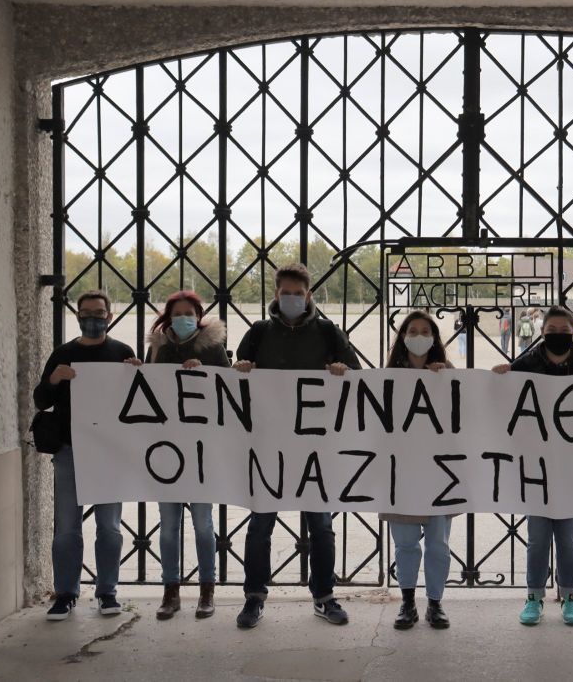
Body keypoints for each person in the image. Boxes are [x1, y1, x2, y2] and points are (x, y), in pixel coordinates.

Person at [232, 263, 361, 629]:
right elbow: (231, 383)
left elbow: (356, 377)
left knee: (320, 526)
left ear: (309, 295)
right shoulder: (259, 333)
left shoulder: (327, 331)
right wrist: (240, 367)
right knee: (260, 527)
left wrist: (341, 370)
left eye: (298, 293)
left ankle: (324, 596)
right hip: (268, 446)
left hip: (314, 447)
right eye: (285, 292)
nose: (291, 298)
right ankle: (254, 598)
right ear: (276, 294)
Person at [492, 306, 573, 626]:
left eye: (563, 329)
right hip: (535, 469)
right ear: (543, 332)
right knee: (538, 538)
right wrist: (501, 377)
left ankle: (570, 596)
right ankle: (534, 597)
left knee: (568, 538)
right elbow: (502, 403)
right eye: (551, 329)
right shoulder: (525, 365)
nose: (557, 335)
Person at [34, 291, 137, 621]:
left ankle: (107, 592)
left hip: (108, 453)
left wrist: (137, 373)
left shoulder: (122, 352)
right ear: (77, 315)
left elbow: (137, 400)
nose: (92, 318)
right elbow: (40, 400)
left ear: (109, 315)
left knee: (109, 527)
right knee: (66, 527)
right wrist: (53, 378)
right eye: (86, 313)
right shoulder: (64, 353)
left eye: (99, 313)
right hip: (69, 450)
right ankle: (66, 593)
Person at [144, 291, 229, 620]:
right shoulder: (159, 348)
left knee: (203, 524)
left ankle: (207, 590)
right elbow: (148, 390)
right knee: (168, 527)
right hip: (167, 450)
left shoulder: (212, 348)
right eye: (176, 313)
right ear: (168, 317)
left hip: (201, 451)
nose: (183, 319)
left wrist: (204, 373)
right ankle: (171, 591)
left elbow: (229, 392)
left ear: (199, 315)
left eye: (188, 313)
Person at [380, 310, 455, 630]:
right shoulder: (387, 378)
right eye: (414, 330)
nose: (420, 336)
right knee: (406, 544)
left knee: (438, 544)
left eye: (427, 331)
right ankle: (408, 602)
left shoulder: (448, 374)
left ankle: (435, 603)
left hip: (440, 476)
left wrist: (448, 378)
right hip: (402, 475)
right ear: (403, 337)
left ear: (435, 339)